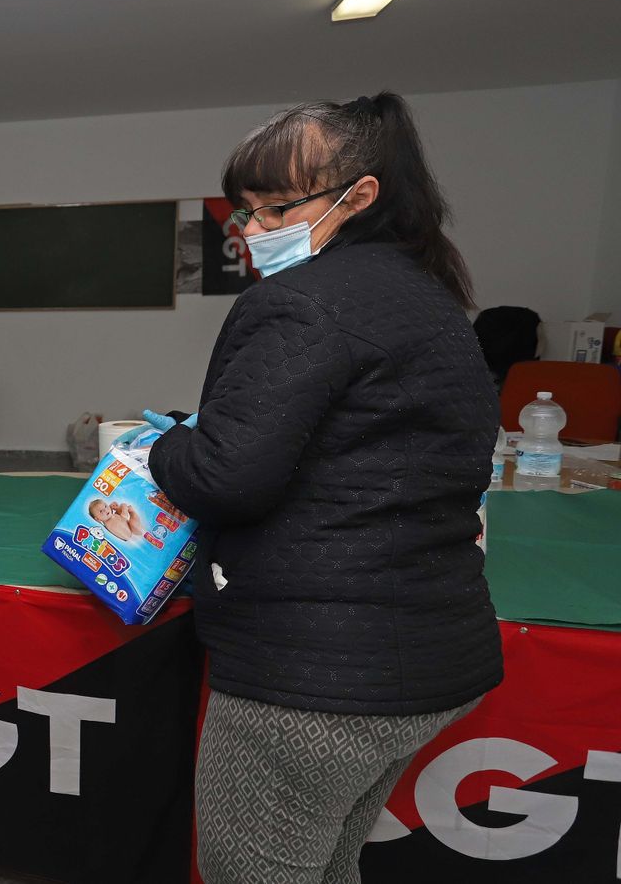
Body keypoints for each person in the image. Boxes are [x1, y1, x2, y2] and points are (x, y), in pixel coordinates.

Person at [143, 92, 503, 884]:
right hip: (432, 659)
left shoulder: (299, 302)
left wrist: (168, 445)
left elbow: (224, 476)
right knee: (329, 865)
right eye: (246, 211)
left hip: (315, 680)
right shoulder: (432, 299)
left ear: (360, 196)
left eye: (277, 208)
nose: (255, 230)